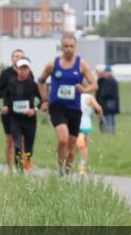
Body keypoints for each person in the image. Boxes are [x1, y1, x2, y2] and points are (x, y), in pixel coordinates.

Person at [37, 33, 98, 175]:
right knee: (63, 139)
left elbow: (94, 85)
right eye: (66, 46)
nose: (69, 49)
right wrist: (44, 100)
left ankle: (66, 174)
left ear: (75, 47)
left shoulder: (81, 64)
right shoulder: (53, 64)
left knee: (71, 149)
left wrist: (84, 89)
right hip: (57, 107)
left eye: (71, 46)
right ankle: (60, 168)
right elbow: (40, 81)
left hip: (74, 109)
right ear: (62, 47)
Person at [2, 58, 43, 171]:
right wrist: (5, 106)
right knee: (18, 145)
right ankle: (19, 169)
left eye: (25, 68)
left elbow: (41, 100)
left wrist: (34, 109)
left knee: (29, 147)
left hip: (29, 119)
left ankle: (27, 163)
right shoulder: (11, 83)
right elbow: (6, 97)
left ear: (29, 70)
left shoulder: (33, 84)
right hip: (15, 118)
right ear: (17, 69)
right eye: (21, 68)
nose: (23, 71)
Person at [0, 49, 26, 169]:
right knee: (10, 140)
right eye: (16, 56)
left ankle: (20, 167)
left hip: (23, 111)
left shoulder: (28, 72)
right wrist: (10, 92)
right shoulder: (6, 74)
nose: (18, 58)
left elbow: (33, 90)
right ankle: (10, 169)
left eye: (21, 56)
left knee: (22, 140)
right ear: (12, 59)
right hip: (9, 111)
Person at [77, 89, 104, 174]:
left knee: (74, 145)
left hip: (76, 122)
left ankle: (68, 164)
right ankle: (82, 167)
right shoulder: (90, 97)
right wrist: (101, 117)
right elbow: (99, 108)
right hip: (86, 124)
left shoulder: (76, 95)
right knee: (84, 146)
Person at [96, 65, 120, 134]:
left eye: (105, 72)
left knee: (108, 118)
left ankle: (109, 132)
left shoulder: (110, 81)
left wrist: (102, 96)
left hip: (108, 103)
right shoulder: (111, 80)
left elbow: (107, 93)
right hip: (110, 103)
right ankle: (110, 132)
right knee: (110, 118)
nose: (104, 74)